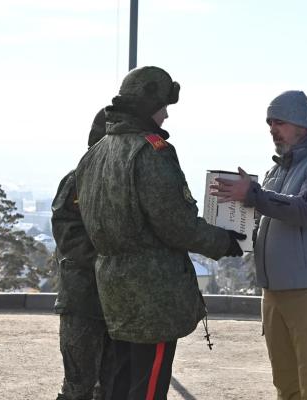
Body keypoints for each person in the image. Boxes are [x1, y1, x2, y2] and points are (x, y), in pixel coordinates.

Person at [74, 66, 245, 399]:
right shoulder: (151, 152)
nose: (166, 115)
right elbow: (175, 224)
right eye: (164, 106)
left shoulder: (94, 154)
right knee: (148, 386)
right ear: (149, 102)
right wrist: (223, 241)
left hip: (112, 288)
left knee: (119, 381)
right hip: (151, 294)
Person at [210, 90, 307, 400]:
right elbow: (267, 217)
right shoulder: (279, 169)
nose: (272, 129)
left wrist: (253, 194)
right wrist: (234, 231)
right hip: (274, 293)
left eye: (279, 122)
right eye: (269, 123)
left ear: (301, 123)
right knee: (286, 386)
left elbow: (304, 210)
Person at [52, 108, 114, 400]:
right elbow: (67, 233)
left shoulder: (130, 181)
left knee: (113, 386)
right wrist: (106, 261)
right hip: (82, 299)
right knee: (78, 386)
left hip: (120, 302)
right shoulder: (78, 180)